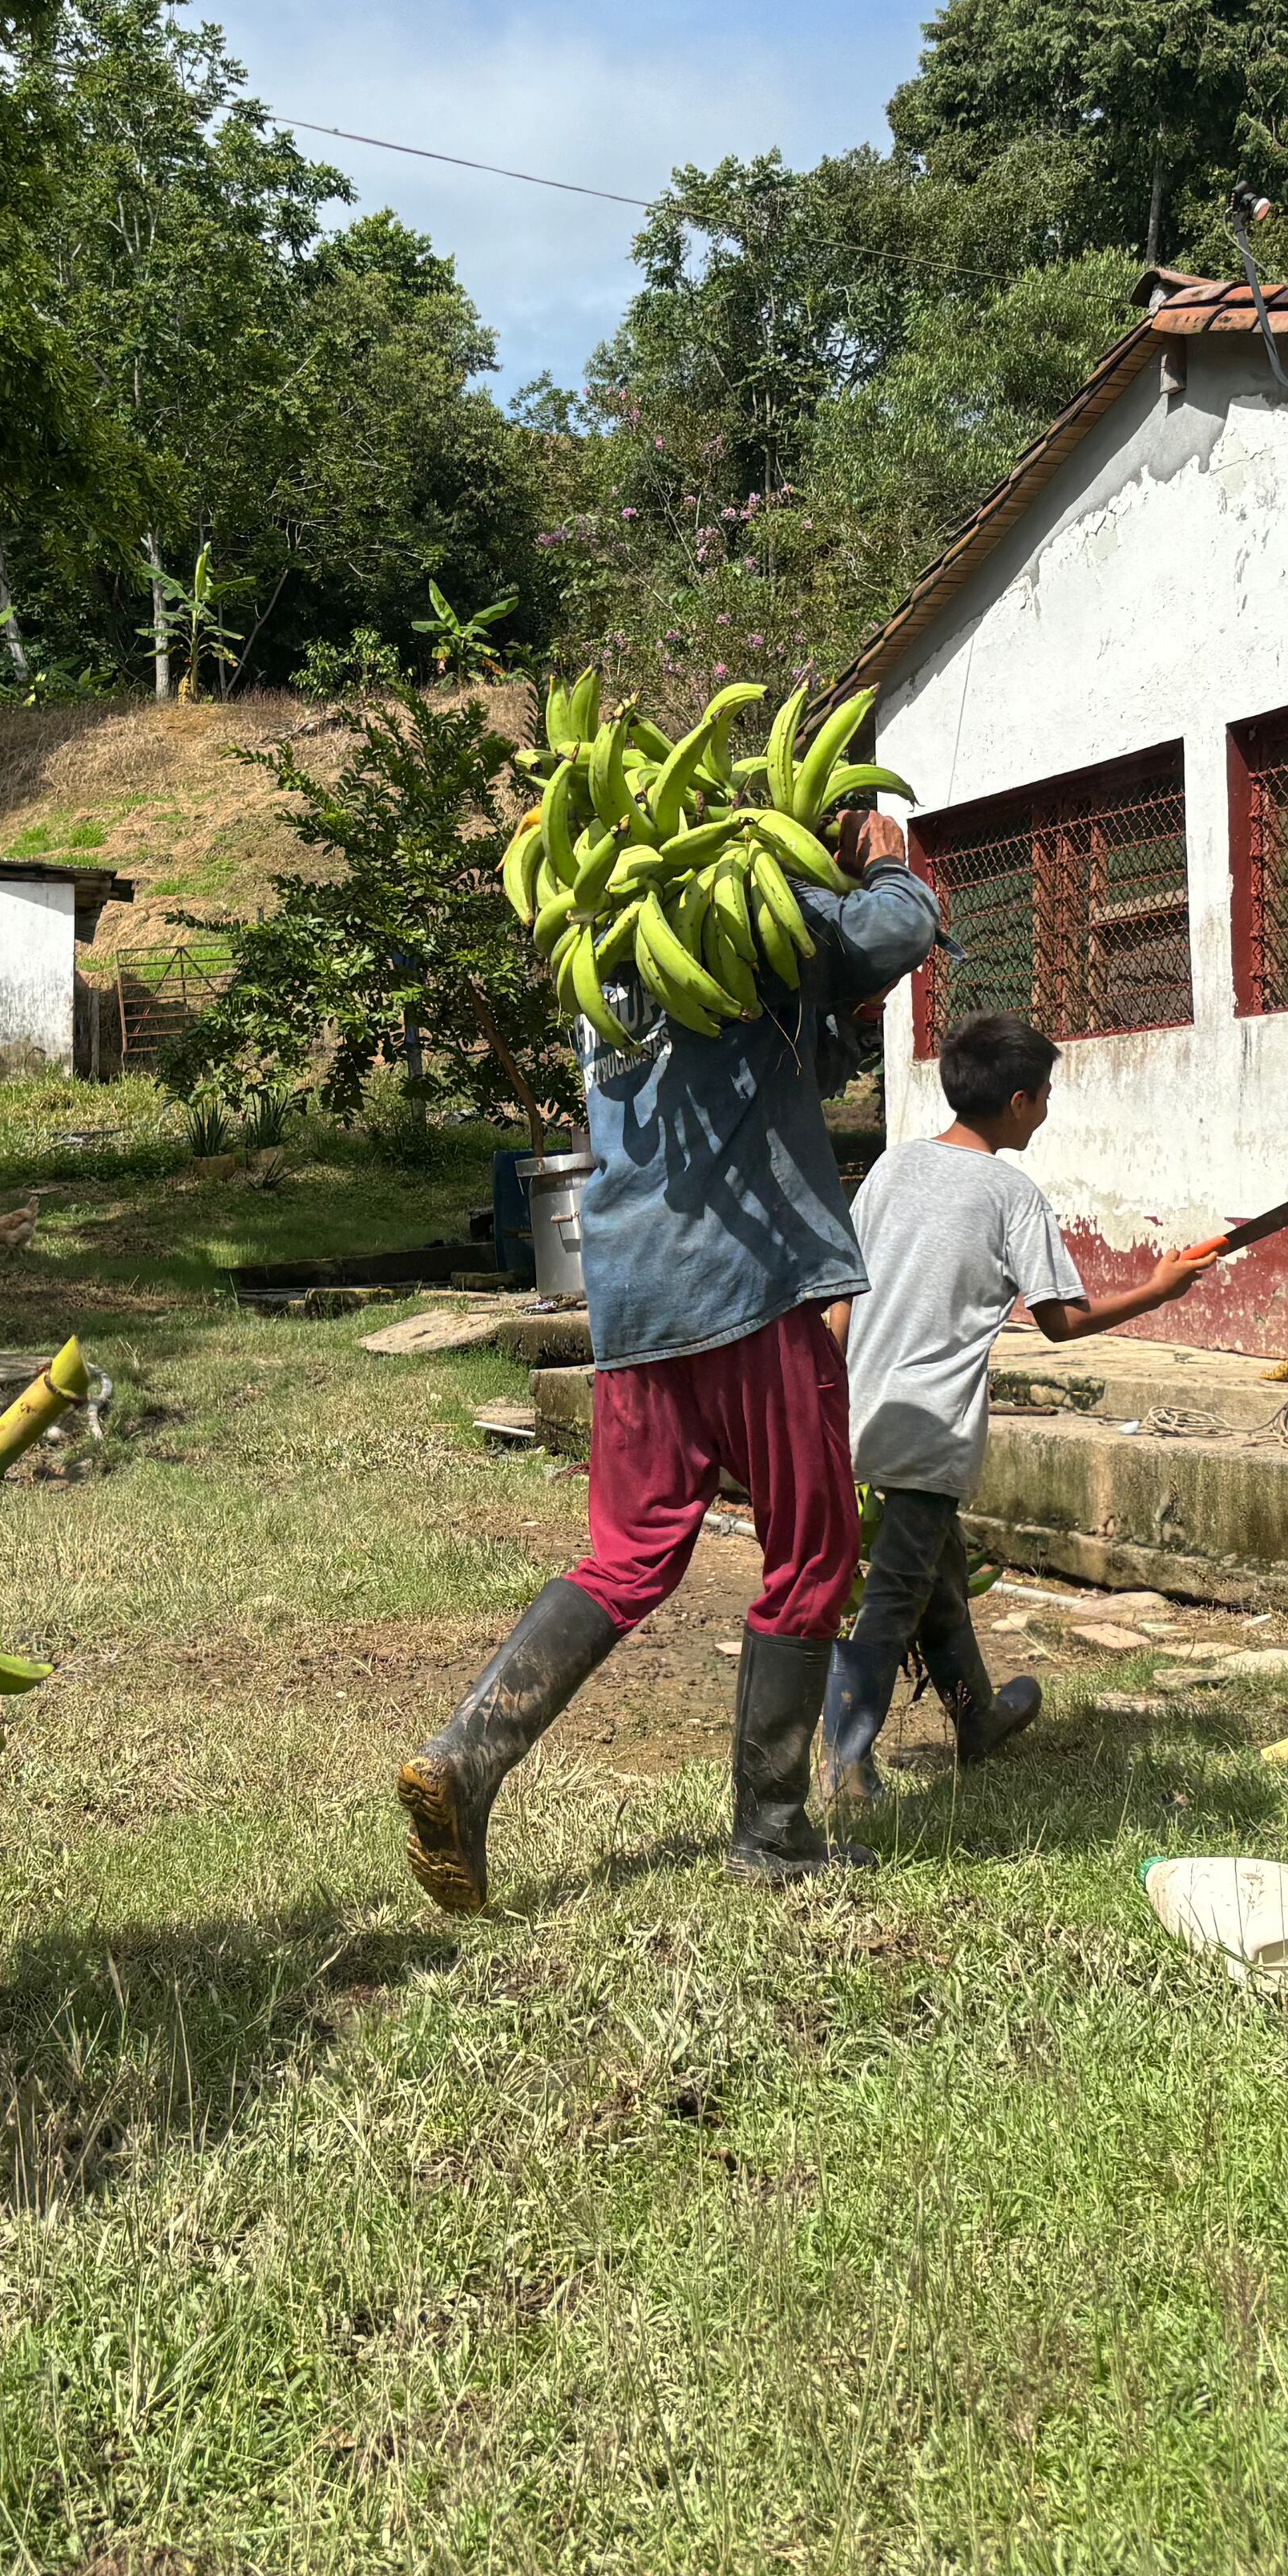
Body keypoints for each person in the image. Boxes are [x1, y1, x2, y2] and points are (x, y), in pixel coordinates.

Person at [398, 807, 939, 1911]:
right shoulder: (743, 899)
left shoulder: (613, 948)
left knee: (629, 1552)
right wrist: (890, 866)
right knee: (812, 1548)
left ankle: (468, 1754)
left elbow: (788, 1050)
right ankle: (774, 1831)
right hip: (750, 1282)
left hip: (635, 1291)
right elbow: (886, 933)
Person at [818, 1013, 1219, 1808]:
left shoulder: (892, 1170)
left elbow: (839, 1300)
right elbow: (1059, 1321)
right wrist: (1158, 1289)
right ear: (1016, 1100)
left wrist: (826, 1398)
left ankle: (976, 1721)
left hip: (860, 1413)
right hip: (930, 1428)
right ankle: (844, 1766)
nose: (1044, 1111)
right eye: (1043, 1098)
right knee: (896, 1595)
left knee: (937, 1580)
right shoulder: (1012, 1193)